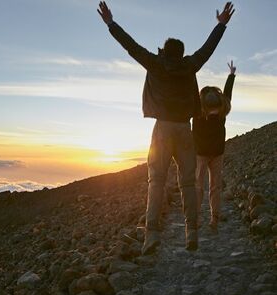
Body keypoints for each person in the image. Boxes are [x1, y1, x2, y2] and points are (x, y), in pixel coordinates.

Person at [97, 1, 235, 253]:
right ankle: (191, 233)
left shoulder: (155, 63)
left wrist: (110, 23)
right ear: (181, 53)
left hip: (161, 130)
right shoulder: (190, 64)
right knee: (188, 184)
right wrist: (221, 25)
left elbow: (131, 46)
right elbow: (208, 49)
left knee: (156, 182)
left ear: (165, 51)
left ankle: (151, 237)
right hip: (184, 130)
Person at [193, 61, 236, 233]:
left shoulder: (197, 112)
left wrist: (231, 76)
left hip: (204, 154)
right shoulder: (221, 112)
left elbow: (227, 95)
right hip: (214, 153)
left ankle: (201, 221)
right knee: (213, 187)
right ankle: (212, 221)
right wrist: (231, 75)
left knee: (200, 187)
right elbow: (227, 95)